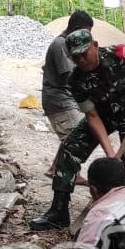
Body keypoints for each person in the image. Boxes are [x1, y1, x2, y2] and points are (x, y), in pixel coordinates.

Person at [29, 29, 125, 231]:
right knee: (69, 149)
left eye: (84, 53)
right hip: (103, 115)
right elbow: (93, 117)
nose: (81, 59)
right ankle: (59, 212)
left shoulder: (119, 53)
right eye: (75, 56)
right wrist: (110, 154)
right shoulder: (76, 81)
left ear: (95, 45)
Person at [42, 11, 92, 180]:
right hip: (58, 100)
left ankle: (55, 168)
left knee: (72, 134)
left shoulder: (67, 44)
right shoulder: (60, 45)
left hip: (64, 98)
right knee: (76, 134)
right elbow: (68, 76)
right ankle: (70, 172)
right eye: (85, 32)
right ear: (76, 28)